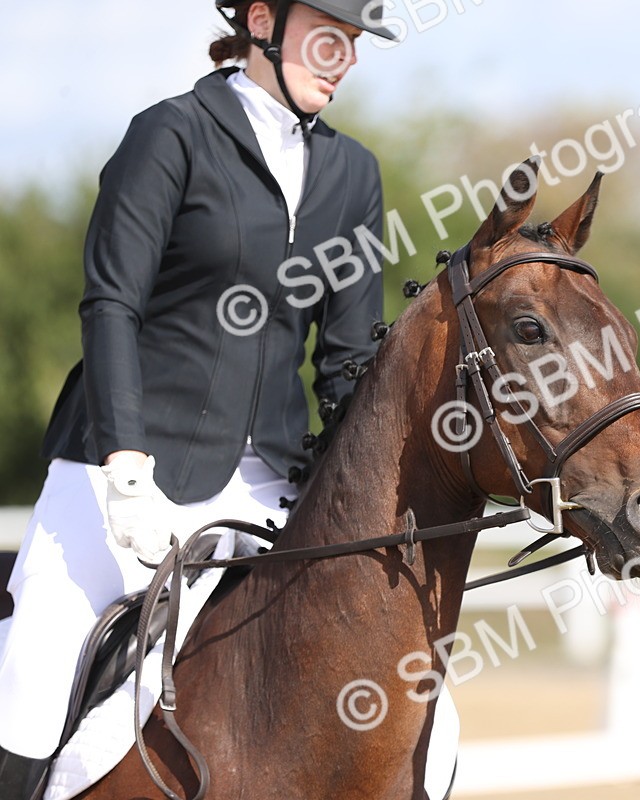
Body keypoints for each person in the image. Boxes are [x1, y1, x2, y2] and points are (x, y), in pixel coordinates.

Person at [0, 2, 395, 795]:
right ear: (262, 21)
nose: (340, 59)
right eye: (328, 37)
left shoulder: (354, 174)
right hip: (123, 472)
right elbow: (111, 304)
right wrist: (125, 464)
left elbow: (350, 361)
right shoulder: (171, 134)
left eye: (351, 46)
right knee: (34, 682)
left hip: (272, 488)